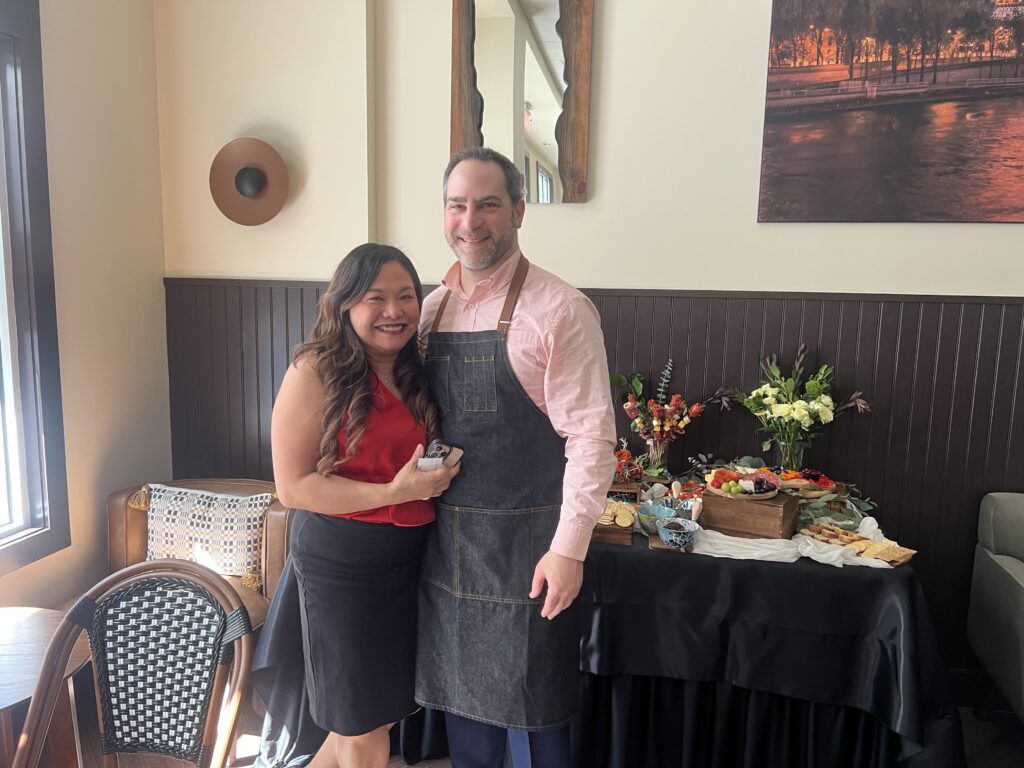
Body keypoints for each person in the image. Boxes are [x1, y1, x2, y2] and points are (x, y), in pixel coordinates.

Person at [415, 148, 617, 767]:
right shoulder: (430, 309)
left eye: (488, 205)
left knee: (535, 719)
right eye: (457, 205)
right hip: (446, 547)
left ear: (520, 211)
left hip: (529, 553)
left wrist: (569, 550)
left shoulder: (561, 309)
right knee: (466, 721)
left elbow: (591, 438)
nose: (469, 221)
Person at [270, 243, 460, 768]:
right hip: (343, 564)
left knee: (375, 715)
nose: (393, 311)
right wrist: (392, 494)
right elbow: (293, 487)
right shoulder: (314, 370)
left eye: (406, 296)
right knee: (361, 725)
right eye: (376, 298)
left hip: (409, 561)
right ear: (345, 303)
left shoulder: (416, 368)